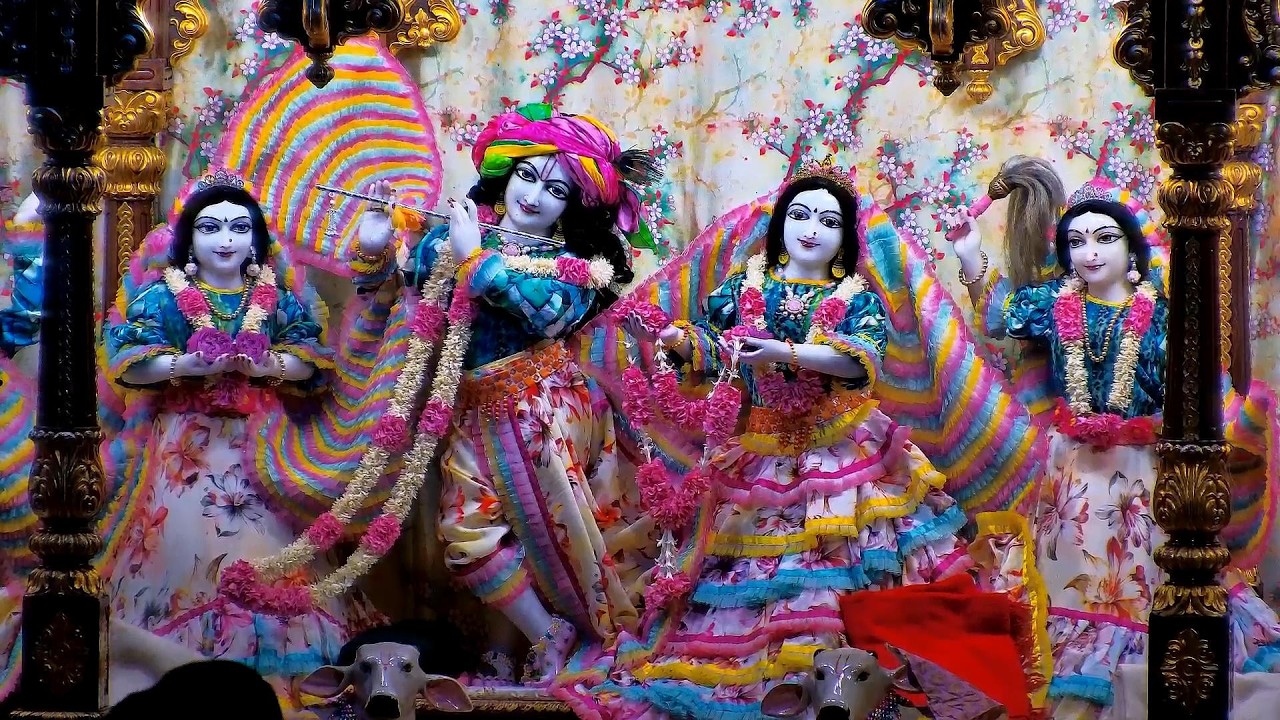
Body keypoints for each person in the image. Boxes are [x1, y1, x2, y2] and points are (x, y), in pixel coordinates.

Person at [568, 156, 1021, 719]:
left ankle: (857, 685)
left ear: (843, 240)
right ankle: (771, 683)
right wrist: (673, 340)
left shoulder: (856, 295)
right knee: (748, 578)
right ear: (780, 225)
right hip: (756, 453)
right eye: (800, 215)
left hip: (842, 453)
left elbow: (860, 362)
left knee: (850, 565)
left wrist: (784, 352)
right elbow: (717, 352)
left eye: (828, 222)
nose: (811, 229)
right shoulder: (744, 285)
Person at [348, 103, 660, 685]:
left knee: (545, 533)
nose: (535, 196)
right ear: (504, 173)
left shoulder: (571, 264)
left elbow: (547, 318)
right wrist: (373, 247)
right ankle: (544, 634)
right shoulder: (457, 235)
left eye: (557, 190)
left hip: (545, 406)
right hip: (473, 410)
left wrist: (474, 256)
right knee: (467, 538)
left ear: (574, 207)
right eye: (527, 176)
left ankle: (536, 645)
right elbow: (397, 291)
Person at [951, 177, 1280, 717]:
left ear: (1132, 249)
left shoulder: (1165, 317)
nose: (1089, 252)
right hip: (1071, 470)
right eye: (1075, 242)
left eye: (1103, 238)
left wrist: (1239, 426)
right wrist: (969, 252)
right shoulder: (1053, 305)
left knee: (1141, 577)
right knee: (1068, 575)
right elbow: (998, 312)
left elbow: (1200, 393)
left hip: (1141, 471)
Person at [98, 170, 380, 708]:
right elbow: (128, 364)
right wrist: (187, 363)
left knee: (269, 558)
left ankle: (282, 691)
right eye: (210, 228)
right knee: (181, 553)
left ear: (255, 238)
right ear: (188, 240)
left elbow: (312, 361)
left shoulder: (272, 297)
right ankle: (176, 681)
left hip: (263, 449)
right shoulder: (163, 296)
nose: (225, 240)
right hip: (185, 448)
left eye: (237, 227)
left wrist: (267, 363)